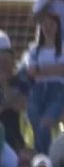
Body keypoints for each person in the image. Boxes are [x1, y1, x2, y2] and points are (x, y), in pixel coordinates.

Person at [22, 12, 64, 155]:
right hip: (38, 89)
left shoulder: (62, 47)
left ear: (58, 27)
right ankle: (44, 157)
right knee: (35, 120)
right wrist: (53, 69)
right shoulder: (34, 49)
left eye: (51, 25)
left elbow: (62, 70)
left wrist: (41, 69)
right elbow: (31, 71)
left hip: (57, 89)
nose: (48, 28)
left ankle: (45, 156)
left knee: (45, 124)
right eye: (45, 25)